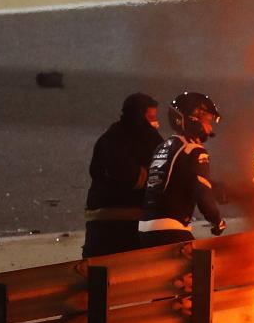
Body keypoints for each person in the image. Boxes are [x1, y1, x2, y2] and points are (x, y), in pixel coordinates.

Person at [138, 91, 226, 247]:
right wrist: (217, 221)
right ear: (193, 119)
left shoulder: (163, 146)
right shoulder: (193, 149)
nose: (209, 127)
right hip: (170, 229)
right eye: (207, 120)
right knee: (208, 265)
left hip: (145, 229)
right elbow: (203, 192)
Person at [82, 92, 164, 257]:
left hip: (100, 224)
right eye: (151, 118)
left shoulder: (108, 138)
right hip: (126, 227)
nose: (155, 123)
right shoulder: (141, 140)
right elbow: (134, 177)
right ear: (138, 116)